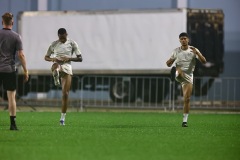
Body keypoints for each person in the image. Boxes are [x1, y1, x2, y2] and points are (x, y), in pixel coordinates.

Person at [166, 32, 206, 127]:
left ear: (188, 39)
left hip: (188, 76)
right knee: (179, 71)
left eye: (185, 38)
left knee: (187, 99)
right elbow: (168, 63)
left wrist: (197, 55)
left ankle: (184, 121)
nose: (183, 40)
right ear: (179, 40)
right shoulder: (176, 51)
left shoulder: (193, 50)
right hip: (179, 73)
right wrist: (170, 62)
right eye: (181, 39)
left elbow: (204, 61)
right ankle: (174, 72)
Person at [44, 28, 82, 126]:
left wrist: (69, 58)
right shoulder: (54, 44)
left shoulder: (72, 43)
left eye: (63, 37)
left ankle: (62, 119)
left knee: (65, 94)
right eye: (60, 38)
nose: (62, 39)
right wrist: (53, 59)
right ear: (58, 36)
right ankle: (56, 74)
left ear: (66, 34)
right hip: (57, 63)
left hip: (67, 67)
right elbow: (46, 57)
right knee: (55, 65)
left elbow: (80, 58)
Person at [0, 12, 29, 130]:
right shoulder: (16, 36)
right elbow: (21, 55)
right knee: (11, 97)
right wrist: (26, 71)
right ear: (12, 22)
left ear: (2, 22)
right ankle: (13, 124)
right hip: (9, 70)